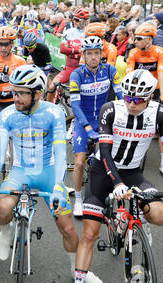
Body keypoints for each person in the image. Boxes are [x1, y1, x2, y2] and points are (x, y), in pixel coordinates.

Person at [0, 64, 103, 283]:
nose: (14, 97)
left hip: (49, 172)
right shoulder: (8, 114)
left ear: (37, 94)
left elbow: (59, 153)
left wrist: (59, 185)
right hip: (20, 170)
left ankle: (77, 270)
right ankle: (5, 230)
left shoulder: (53, 113)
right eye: (13, 91)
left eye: (20, 93)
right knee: (1, 207)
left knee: (67, 228)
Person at [72, 69, 163, 283]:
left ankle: (135, 219)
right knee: (89, 233)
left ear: (149, 98)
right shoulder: (111, 109)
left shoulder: (160, 112)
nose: (131, 104)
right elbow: (104, 150)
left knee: (161, 215)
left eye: (137, 100)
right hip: (103, 173)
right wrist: (116, 183)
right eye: (128, 97)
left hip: (134, 173)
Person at [69, 36, 123, 217]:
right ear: (83, 55)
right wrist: (86, 128)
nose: (93, 57)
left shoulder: (110, 70)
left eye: (96, 53)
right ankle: (78, 198)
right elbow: (75, 105)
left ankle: (109, 192)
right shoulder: (77, 75)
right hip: (84, 121)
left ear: (101, 54)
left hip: (104, 120)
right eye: (89, 53)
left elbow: (121, 96)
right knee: (79, 161)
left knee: (110, 159)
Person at [126, 23, 163, 177]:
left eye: (138, 38)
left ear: (149, 40)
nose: (134, 41)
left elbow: (162, 74)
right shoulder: (133, 53)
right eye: (134, 38)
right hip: (138, 91)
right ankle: (132, 158)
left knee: (162, 126)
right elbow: (129, 75)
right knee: (133, 123)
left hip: (155, 91)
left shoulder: (159, 51)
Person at [0, 26, 26, 162]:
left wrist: (9, 72)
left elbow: (24, 89)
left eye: (6, 44)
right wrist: (12, 92)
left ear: (12, 44)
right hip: (1, 106)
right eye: (0, 44)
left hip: (18, 105)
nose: (2, 47)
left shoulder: (20, 62)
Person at [46, 8, 89, 103]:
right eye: (74, 18)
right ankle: (49, 106)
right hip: (70, 68)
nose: (74, 21)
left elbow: (88, 52)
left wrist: (71, 51)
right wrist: (78, 50)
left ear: (85, 21)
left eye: (77, 20)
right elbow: (62, 49)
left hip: (85, 69)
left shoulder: (89, 33)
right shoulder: (69, 32)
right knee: (52, 86)